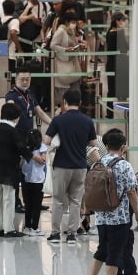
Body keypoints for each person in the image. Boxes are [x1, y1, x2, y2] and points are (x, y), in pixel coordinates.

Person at [85, 130, 138, 275]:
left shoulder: (99, 162)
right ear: (123, 146)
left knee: (102, 249)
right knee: (115, 251)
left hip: (102, 216)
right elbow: (131, 192)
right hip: (119, 217)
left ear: (107, 146)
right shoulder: (124, 165)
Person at [45, 88, 99, 244]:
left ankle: (55, 234)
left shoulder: (58, 120)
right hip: (80, 166)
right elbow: (93, 143)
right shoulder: (87, 121)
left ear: (65, 103)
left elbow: (47, 141)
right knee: (76, 201)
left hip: (62, 165)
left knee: (58, 200)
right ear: (80, 103)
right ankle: (72, 234)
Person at [0, 102, 29, 238]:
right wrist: (32, 156)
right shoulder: (12, 131)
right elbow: (21, 148)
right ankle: (9, 229)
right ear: (15, 117)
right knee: (9, 199)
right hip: (9, 170)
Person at [22, 129, 49, 237]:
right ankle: (35, 227)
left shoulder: (25, 148)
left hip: (26, 179)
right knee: (36, 205)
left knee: (28, 204)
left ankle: (27, 227)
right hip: (38, 180)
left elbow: (20, 164)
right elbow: (43, 160)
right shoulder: (42, 147)